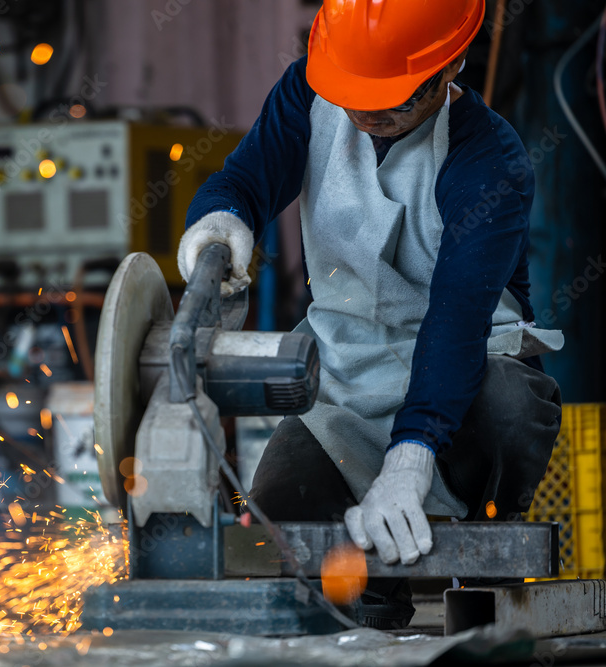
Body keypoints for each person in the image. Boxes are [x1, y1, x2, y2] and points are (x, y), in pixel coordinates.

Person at [177, 0, 564, 629]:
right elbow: (243, 181)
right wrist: (221, 224)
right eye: (354, 99)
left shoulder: (491, 160)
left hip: (466, 374)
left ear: (451, 66)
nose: (368, 118)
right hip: (344, 378)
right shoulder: (308, 93)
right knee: (284, 505)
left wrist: (411, 457)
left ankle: (489, 569)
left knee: (510, 410)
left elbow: (456, 321)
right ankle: (371, 608)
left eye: (394, 102)